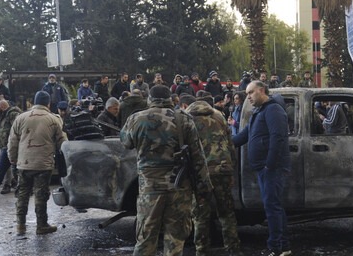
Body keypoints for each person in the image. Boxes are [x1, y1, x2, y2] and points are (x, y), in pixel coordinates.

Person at [120, 85, 212, 256]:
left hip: (150, 188)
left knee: (146, 238)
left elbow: (126, 142)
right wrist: (204, 187)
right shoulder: (184, 119)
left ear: (150, 99)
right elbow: (198, 157)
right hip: (179, 186)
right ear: (170, 99)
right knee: (175, 239)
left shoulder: (136, 119)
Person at [233, 81, 291, 256]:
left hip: (272, 169)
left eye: (251, 92)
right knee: (275, 206)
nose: (248, 97)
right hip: (265, 169)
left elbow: (278, 138)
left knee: (272, 208)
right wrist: (222, 143)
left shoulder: (273, 110)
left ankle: (275, 248)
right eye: (247, 94)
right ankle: (284, 247)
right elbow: (244, 136)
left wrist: (269, 165)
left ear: (262, 90)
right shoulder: (259, 111)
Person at [185, 95, 241, 256]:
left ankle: (202, 251)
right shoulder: (219, 116)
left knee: (200, 216)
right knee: (227, 213)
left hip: (200, 173)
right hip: (223, 170)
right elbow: (230, 144)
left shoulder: (187, 119)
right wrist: (231, 167)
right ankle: (233, 250)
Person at [8, 91, 67, 235]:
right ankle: (41, 225)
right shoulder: (53, 119)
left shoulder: (20, 118)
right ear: (48, 104)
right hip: (43, 163)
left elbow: (12, 142)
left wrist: (13, 159)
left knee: (22, 194)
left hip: (24, 163)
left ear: (34, 102)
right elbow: (62, 142)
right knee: (41, 195)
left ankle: (20, 225)